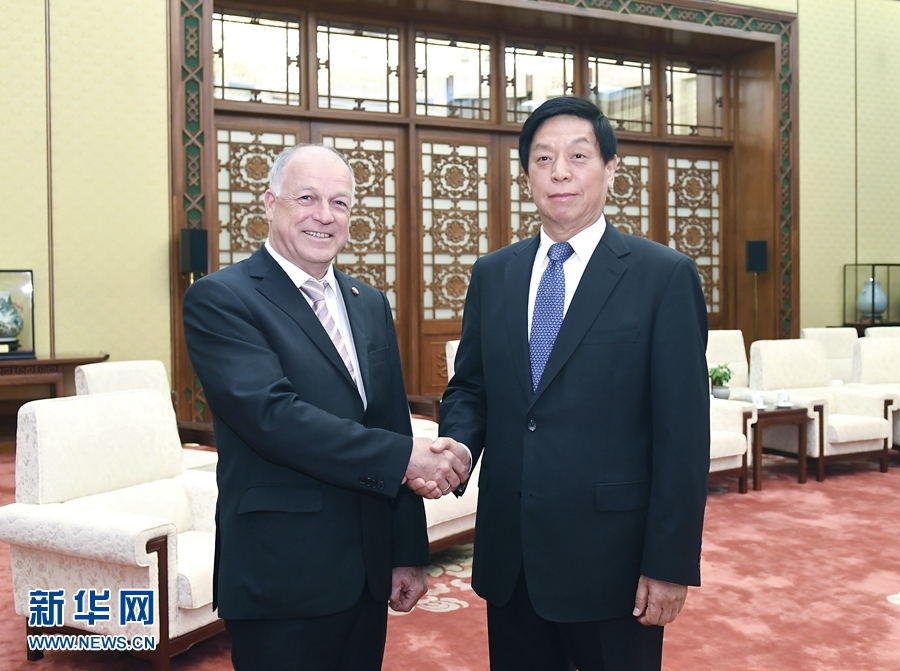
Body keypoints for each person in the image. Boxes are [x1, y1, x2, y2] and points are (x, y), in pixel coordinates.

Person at [439, 97, 710, 671]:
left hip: (614, 566)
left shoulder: (662, 277)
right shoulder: (494, 274)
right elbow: (471, 388)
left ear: (611, 169)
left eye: (578, 156)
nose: (559, 172)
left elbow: (683, 435)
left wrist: (669, 563)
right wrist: (458, 447)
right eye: (543, 159)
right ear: (527, 176)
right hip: (512, 560)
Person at [183, 143, 470, 671]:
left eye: (339, 203)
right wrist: (405, 458)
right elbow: (273, 417)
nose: (324, 215)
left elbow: (389, 421)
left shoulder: (369, 303)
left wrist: (406, 552)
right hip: (281, 577)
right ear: (270, 203)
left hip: (365, 574)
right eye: (307, 198)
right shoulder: (223, 299)